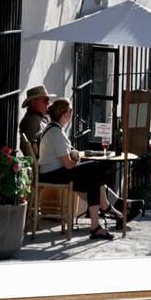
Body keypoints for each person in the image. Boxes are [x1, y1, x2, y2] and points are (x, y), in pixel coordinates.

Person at [38, 98, 122, 240]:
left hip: (54, 172)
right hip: (51, 174)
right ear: (63, 114)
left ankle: (96, 225)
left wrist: (73, 154)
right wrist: (76, 156)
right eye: (70, 111)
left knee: (93, 178)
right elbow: (69, 165)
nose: (72, 113)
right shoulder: (55, 133)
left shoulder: (55, 129)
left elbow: (67, 155)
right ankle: (104, 207)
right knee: (95, 168)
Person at [19, 85, 56, 154]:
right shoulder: (31, 120)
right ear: (34, 103)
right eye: (46, 100)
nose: (48, 103)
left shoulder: (42, 117)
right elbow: (30, 152)